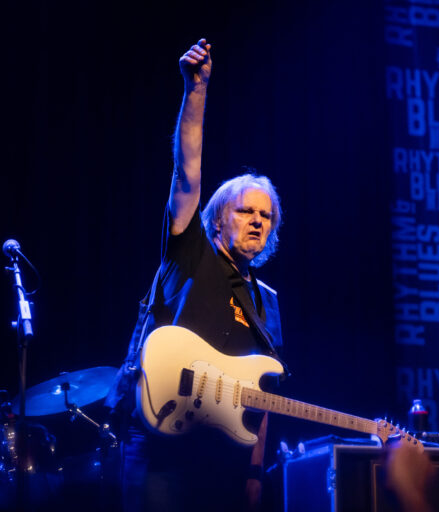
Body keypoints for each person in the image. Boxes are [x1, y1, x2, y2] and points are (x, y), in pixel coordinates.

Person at [105, 39, 285, 512]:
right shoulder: (191, 252)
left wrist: (254, 474)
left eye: (266, 216)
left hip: (225, 462)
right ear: (217, 218)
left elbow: (263, 399)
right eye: (245, 210)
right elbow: (187, 171)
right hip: (163, 447)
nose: (257, 220)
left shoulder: (267, 302)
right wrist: (197, 92)